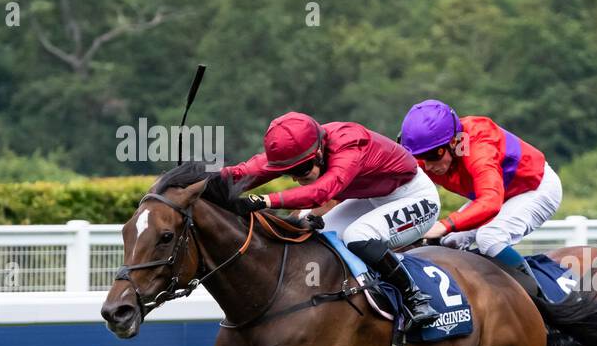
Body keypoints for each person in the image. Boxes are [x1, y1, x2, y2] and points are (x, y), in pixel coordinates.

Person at [224, 111, 440, 326]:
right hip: (374, 197)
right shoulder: (303, 146)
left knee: (357, 236)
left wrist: (262, 200)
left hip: (415, 197)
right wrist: (196, 181)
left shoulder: (349, 145)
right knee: (318, 236)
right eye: (287, 172)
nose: (297, 178)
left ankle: (416, 298)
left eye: (301, 169)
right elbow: (241, 173)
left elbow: (321, 193)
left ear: (318, 152)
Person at [398, 99, 562, 298]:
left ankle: (542, 303)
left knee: (490, 237)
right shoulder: (433, 153)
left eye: (433, 155)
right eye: (420, 157)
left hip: (536, 187)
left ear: (453, 142)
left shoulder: (478, 147)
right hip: (497, 191)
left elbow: (491, 200)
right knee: (449, 241)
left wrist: (446, 223)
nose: (427, 165)